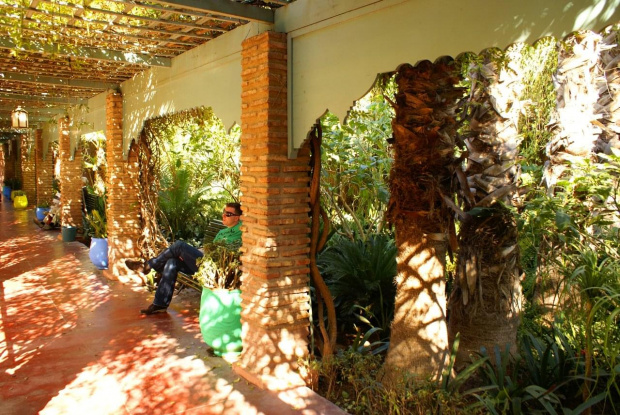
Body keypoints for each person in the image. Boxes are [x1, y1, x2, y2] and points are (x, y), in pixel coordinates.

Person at [133, 202, 243, 315]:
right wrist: (191, 254)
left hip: (217, 270)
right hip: (205, 263)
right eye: (223, 213)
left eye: (228, 214)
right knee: (172, 262)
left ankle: (150, 265)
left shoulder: (242, 231)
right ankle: (159, 304)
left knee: (179, 245)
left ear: (237, 218)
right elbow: (210, 250)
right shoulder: (222, 232)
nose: (223, 216)